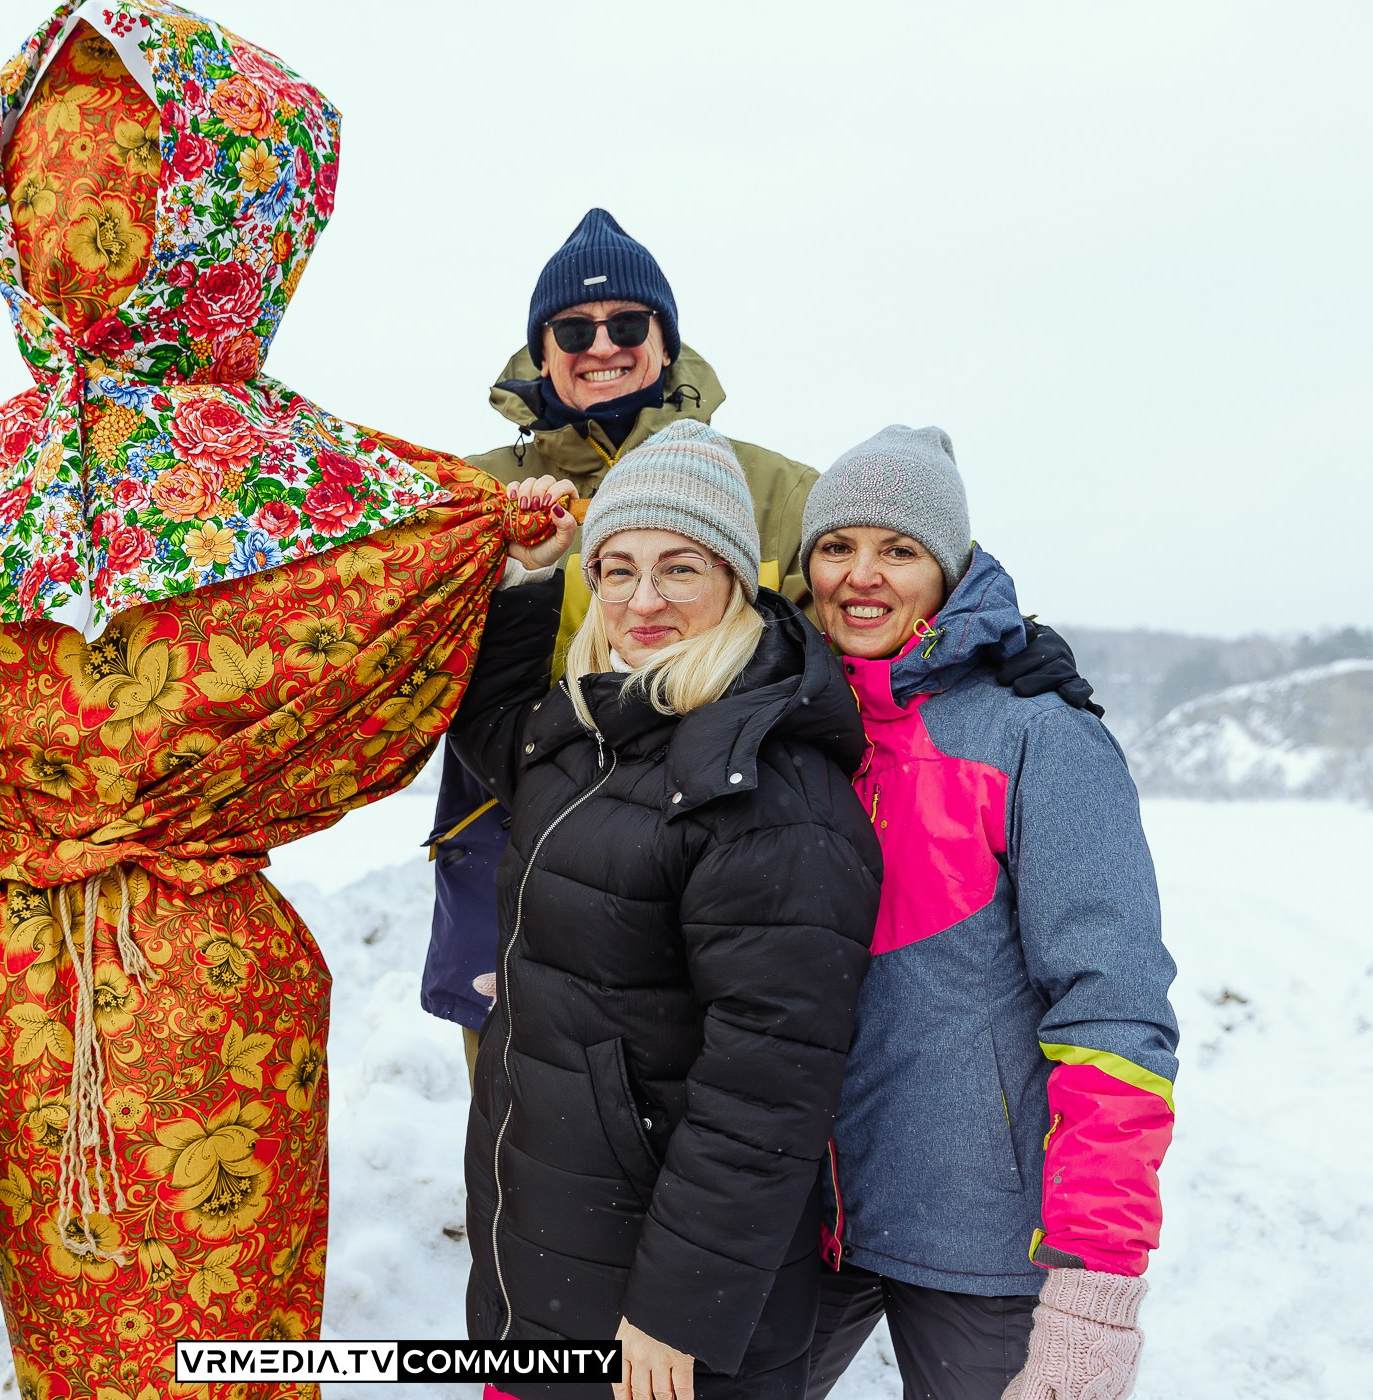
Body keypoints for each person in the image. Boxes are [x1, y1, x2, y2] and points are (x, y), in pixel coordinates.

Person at [0, 7, 531, 1389]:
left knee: (112, 1319)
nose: (75, 206)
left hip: (19, 965)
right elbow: (426, 539)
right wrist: (493, 531)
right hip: (153, 964)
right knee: (193, 1326)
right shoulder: (322, 491)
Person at [421, 210, 1096, 1073]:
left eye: (630, 325)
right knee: (524, 1112)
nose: (602, 345)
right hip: (510, 825)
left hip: (708, 840)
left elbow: (880, 580)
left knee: (701, 1086)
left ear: (667, 343)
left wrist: (997, 639)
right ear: (539, 349)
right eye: (574, 328)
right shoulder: (469, 493)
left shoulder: (770, 485)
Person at [449, 420, 881, 1399]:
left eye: (678, 568)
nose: (643, 600)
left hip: (657, 1325)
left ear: (735, 575)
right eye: (617, 568)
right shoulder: (602, 726)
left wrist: (676, 1310)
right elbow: (492, 731)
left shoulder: (768, 787)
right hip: (549, 1278)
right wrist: (526, 580)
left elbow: (765, 1092)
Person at [796, 427, 1179, 1400]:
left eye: (900, 548)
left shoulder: (1037, 738)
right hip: (808, 1214)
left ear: (952, 566)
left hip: (983, 1232)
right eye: (837, 547)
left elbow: (1116, 1020)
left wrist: (1095, 1286)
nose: (862, 576)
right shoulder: (796, 724)